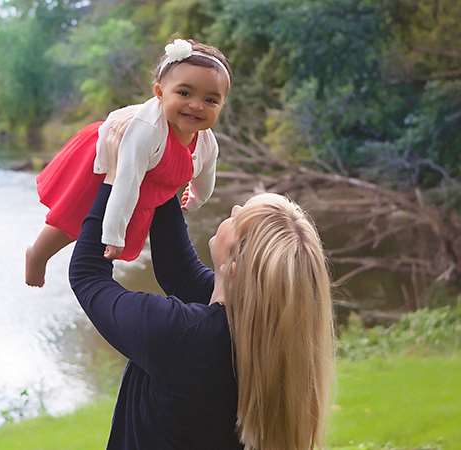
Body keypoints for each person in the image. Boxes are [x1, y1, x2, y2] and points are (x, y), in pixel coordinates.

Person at [68, 131, 335, 449]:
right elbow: (177, 271)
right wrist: (156, 156)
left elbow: (87, 276)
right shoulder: (266, 330)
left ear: (234, 266)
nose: (233, 210)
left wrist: (115, 176)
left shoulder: (180, 333)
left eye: (239, 219)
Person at [25, 38, 231, 287]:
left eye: (211, 100)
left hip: (147, 171)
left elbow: (206, 173)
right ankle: (37, 254)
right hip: (111, 156)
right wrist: (113, 235)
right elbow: (125, 182)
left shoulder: (206, 141)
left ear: (221, 105)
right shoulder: (148, 130)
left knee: (131, 213)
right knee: (76, 215)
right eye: (184, 93)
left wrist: (197, 198)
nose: (197, 105)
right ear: (159, 93)